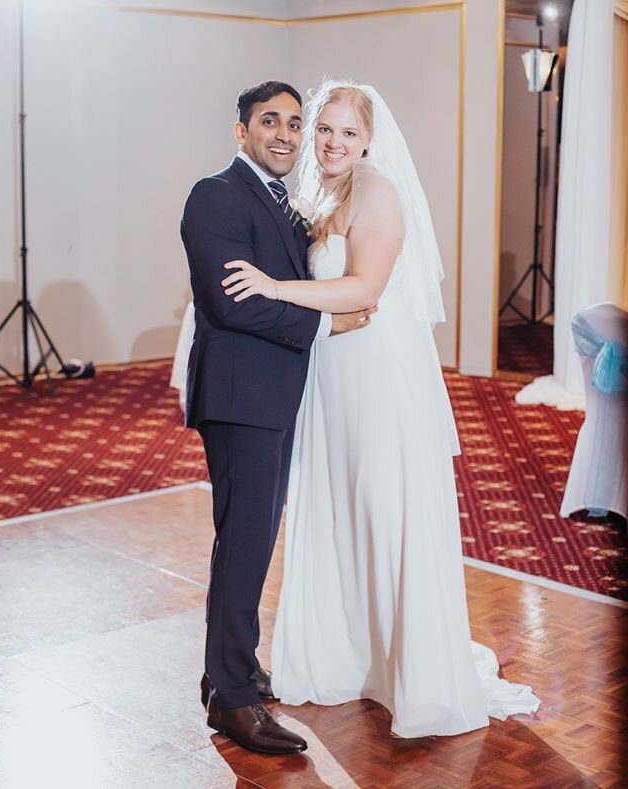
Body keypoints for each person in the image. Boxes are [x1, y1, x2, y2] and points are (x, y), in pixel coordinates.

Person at [220, 81, 541, 738]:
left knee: (383, 508)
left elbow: (365, 286)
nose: (334, 142)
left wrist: (274, 288)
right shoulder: (319, 194)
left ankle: (411, 669)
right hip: (331, 370)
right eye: (325, 130)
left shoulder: (378, 193)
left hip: (376, 373)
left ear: (369, 140)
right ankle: (349, 655)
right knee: (338, 504)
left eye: (347, 132)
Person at [180, 81, 373, 755]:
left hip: (273, 394)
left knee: (251, 539)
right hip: (240, 396)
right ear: (243, 132)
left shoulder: (288, 202)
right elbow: (231, 304)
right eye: (271, 121)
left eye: (297, 122)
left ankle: (225, 667)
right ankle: (232, 700)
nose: (288, 134)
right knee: (245, 541)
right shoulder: (215, 196)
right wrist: (324, 325)